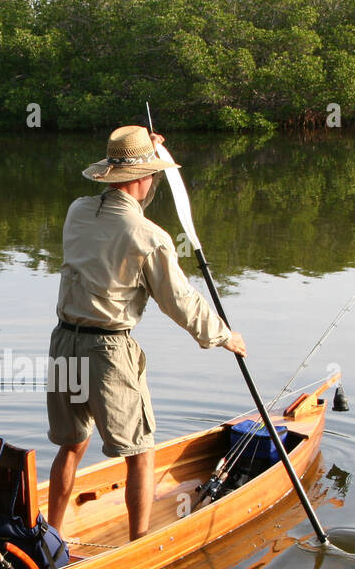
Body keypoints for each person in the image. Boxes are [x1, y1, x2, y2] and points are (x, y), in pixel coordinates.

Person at [46, 125, 247, 541]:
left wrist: (146, 158)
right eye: (151, 176)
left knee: (72, 444)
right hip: (107, 350)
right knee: (140, 452)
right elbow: (178, 300)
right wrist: (223, 335)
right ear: (143, 179)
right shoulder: (150, 238)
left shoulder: (77, 211)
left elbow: (126, 210)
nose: (153, 181)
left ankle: (51, 535)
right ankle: (138, 545)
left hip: (64, 342)